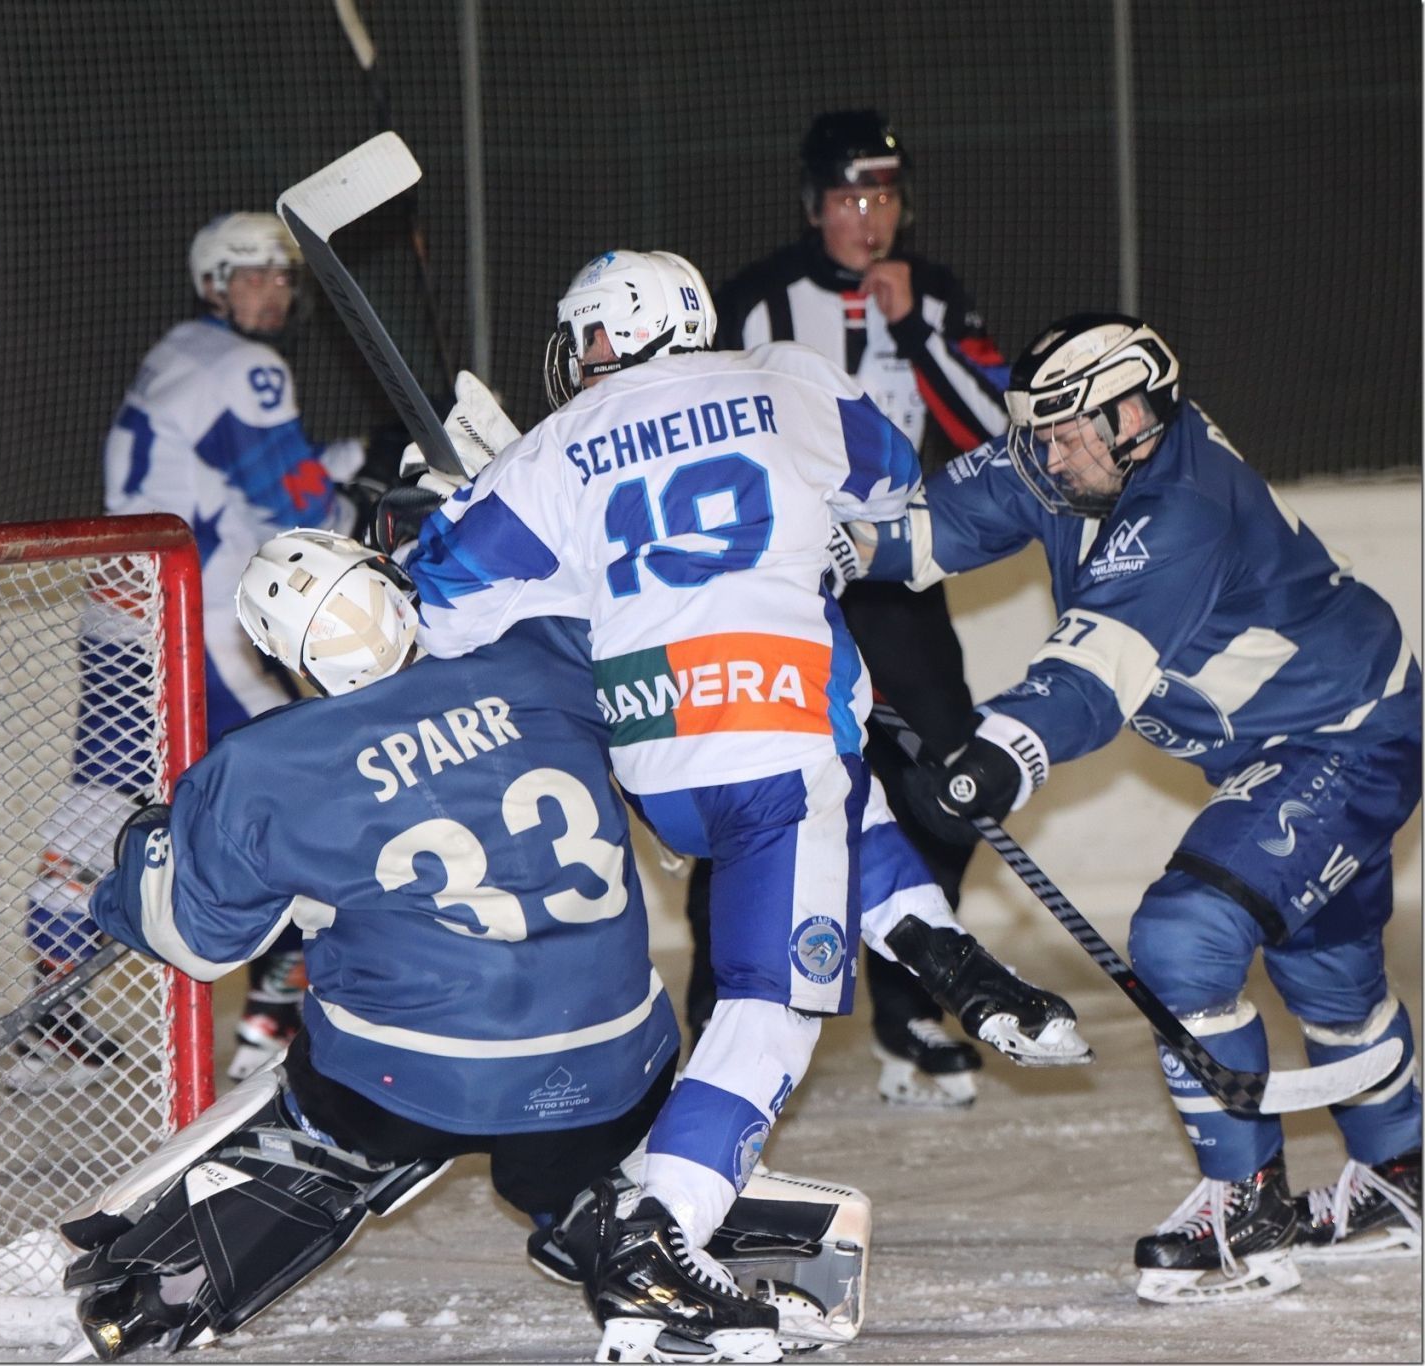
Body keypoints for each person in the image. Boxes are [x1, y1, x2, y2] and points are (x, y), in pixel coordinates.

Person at [61, 529, 1085, 1362]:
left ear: (284, 658)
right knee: (565, 1140)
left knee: (329, 1123)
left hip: (408, 1077)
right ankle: (637, 1224)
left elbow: (201, 943)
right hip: (612, 1064)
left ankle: (161, 1282)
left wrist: (140, 858)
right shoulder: (549, 652)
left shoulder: (259, 764)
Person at [401, 248, 964, 1360]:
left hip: (655, 759)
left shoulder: (560, 438)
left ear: (617, 330)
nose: (580, 356)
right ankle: (658, 1236)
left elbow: (443, 598)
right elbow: (893, 476)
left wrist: (476, 496)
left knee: (743, 959)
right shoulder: (783, 372)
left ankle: (645, 1209)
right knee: (770, 1002)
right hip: (779, 728)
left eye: (587, 334)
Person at [852, 312, 1421, 1302]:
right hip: (1320, 730)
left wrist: (999, 751)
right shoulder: (1069, 463)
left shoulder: (1180, 503)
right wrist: (785, 552)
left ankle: (1244, 1207)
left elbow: (1093, 672)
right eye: (1039, 433)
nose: (1047, 457)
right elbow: (912, 536)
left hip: (1345, 738)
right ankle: (1399, 1177)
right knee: (1326, 971)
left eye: (1068, 434)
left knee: (1184, 935)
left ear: (1134, 415)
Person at [708, 109, 1013, 1107]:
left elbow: (994, 429)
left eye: (881, 194)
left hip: (894, 579)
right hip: (780, 585)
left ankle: (909, 1005)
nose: (867, 216)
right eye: (847, 197)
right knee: (755, 785)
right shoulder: (755, 300)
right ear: (813, 206)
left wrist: (916, 327)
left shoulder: (931, 291)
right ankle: (712, 1016)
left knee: (955, 783)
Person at [72, 211, 380, 1087]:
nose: (273, 290)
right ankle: (272, 1018)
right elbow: (300, 507)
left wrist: (352, 457)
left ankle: (50, 1018)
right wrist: (376, 494)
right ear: (214, 283)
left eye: (282, 276)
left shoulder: (180, 352)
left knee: (96, 802)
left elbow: (246, 472)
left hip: (121, 607)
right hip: (197, 624)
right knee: (301, 791)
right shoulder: (249, 367)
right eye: (253, 274)